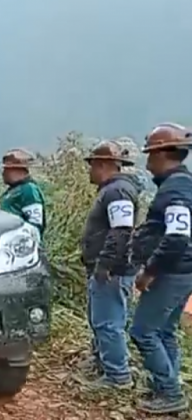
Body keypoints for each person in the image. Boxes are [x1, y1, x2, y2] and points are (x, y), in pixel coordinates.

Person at [129, 122, 192, 414]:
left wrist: (149, 271)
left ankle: (169, 392)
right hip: (183, 271)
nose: (148, 160)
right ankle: (165, 385)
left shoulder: (175, 189)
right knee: (164, 331)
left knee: (143, 331)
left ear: (164, 154)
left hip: (172, 272)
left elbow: (177, 237)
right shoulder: (181, 185)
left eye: (151, 154)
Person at [77, 140, 139, 389]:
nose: (90, 171)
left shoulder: (116, 192)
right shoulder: (114, 190)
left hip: (112, 272)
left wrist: (105, 264)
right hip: (108, 269)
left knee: (108, 322)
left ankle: (117, 376)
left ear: (103, 164)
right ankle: (105, 362)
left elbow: (121, 231)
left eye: (92, 165)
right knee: (102, 319)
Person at [0, 148, 47, 236]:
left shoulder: (29, 190)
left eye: (6, 169)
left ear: (17, 170)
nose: (3, 173)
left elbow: (35, 223)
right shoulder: (11, 191)